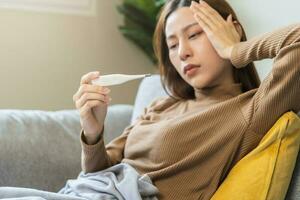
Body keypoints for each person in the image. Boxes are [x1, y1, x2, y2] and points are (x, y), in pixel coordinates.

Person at [0, 0, 299, 200]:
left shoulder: (251, 109)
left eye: (194, 35)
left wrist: (236, 49)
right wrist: (92, 133)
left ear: (229, 30)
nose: (182, 52)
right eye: (172, 44)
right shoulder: (162, 105)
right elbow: (99, 172)